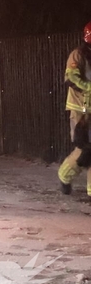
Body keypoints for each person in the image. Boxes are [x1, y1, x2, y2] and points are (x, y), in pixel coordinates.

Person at [58, 22, 91, 195]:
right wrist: (88, 87)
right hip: (80, 109)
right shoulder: (77, 55)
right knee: (84, 148)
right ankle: (65, 175)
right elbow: (71, 78)